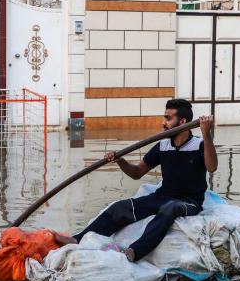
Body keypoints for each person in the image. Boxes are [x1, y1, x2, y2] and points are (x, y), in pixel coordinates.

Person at [51, 99, 218, 262]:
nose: (163, 123)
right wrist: (120, 161)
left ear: (182, 122)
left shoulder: (200, 144)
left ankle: (135, 251)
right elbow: (137, 172)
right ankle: (77, 239)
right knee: (120, 207)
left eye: (168, 118)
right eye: (164, 117)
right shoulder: (163, 146)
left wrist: (206, 134)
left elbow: (211, 167)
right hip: (162, 197)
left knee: (170, 208)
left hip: (188, 202)